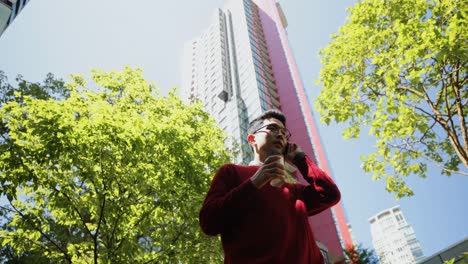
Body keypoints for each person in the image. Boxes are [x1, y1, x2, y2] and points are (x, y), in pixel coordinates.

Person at [199, 109, 341, 263]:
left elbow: (330, 194)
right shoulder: (231, 172)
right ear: (252, 139)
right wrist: (255, 182)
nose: (280, 135)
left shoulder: (294, 191)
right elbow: (209, 222)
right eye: (272, 129)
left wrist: (300, 158)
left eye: (284, 133)